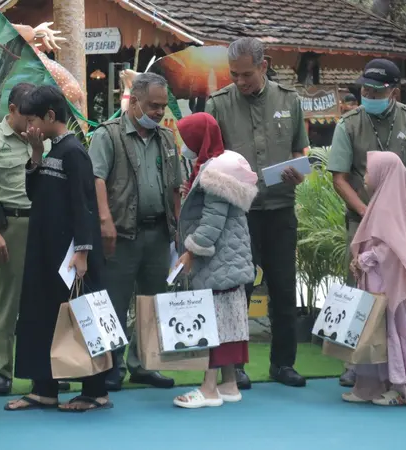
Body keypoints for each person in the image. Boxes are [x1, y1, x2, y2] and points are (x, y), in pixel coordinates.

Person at [205, 37, 310, 389]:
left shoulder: (289, 100)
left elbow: (300, 148)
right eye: (234, 74)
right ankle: (235, 366)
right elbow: (210, 161)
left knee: (283, 287)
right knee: (238, 290)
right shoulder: (218, 104)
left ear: (263, 66)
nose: (239, 81)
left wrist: (299, 170)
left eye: (246, 74)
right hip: (239, 213)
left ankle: (283, 364)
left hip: (281, 208)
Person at [5, 85, 111, 412]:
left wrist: (82, 251)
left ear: (51, 116)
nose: (28, 126)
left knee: (82, 318)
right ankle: (44, 389)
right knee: (43, 316)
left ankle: (95, 391)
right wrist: (36, 155)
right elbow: (35, 194)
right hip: (46, 253)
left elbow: (84, 204)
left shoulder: (74, 152)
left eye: (33, 119)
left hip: (69, 256)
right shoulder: (52, 150)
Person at [328, 58, 406, 387]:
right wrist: (368, 213)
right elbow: (340, 178)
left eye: (375, 90)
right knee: (362, 287)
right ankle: (357, 362)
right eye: (364, 89)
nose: (368, 94)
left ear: (394, 92)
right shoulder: (349, 123)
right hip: (363, 224)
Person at [0, 83, 65, 396]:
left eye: (37, 116)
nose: (32, 122)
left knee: (46, 302)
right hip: (9, 226)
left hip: (43, 225)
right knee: (6, 304)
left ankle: (47, 371)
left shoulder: (45, 141)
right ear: (12, 110)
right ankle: (2, 373)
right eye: (27, 116)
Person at [89, 72, 181, 391]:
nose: (158, 112)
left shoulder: (167, 138)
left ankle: (144, 365)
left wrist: (178, 227)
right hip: (120, 232)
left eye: (162, 107)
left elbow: (175, 187)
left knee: (152, 301)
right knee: (114, 300)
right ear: (135, 101)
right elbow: (96, 179)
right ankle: (111, 366)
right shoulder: (108, 135)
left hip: (158, 233)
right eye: (153, 106)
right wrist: (104, 222)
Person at [171, 113, 257, 409]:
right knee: (229, 321)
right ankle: (229, 383)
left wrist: (191, 251)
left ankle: (208, 388)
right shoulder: (219, 166)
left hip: (217, 261)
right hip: (229, 260)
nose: (184, 146)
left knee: (212, 321)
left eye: (187, 139)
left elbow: (211, 223)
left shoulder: (214, 174)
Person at [345, 151, 406, 406]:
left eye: (369, 171)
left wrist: (365, 259)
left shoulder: (388, 207)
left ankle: (398, 386)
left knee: (389, 329)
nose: (366, 177)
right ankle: (370, 385)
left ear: (383, 175)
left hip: (385, 284)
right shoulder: (383, 203)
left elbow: (392, 248)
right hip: (376, 281)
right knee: (375, 331)